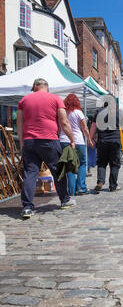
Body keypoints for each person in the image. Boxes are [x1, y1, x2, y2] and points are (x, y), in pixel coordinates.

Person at [17, 78, 76, 219]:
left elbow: (19, 124)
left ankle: (27, 207)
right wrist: (72, 139)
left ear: (35, 87)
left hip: (30, 141)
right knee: (58, 171)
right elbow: (64, 122)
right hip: (49, 139)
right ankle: (65, 200)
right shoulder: (55, 99)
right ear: (46, 87)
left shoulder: (24, 101)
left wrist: (21, 143)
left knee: (30, 173)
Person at [90, 96, 123, 192]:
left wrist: (90, 138)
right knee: (115, 164)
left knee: (102, 163)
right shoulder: (119, 114)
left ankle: (100, 181)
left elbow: (93, 127)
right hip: (115, 141)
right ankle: (113, 186)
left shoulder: (98, 113)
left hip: (102, 141)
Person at [60, 94, 93, 196]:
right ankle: (81, 187)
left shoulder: (62, 112)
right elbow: (85, 128)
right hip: (78, 141)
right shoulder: (79, 112)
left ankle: (71, 190)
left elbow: (59, 127)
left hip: (64, 140)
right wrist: (89, 139)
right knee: (82, 163)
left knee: (69, 165)